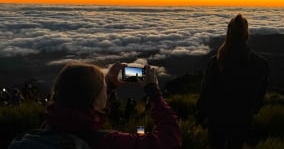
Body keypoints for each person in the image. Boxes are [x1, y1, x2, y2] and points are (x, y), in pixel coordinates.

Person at [8, 62, 182, 149]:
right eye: (103, 91)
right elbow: (170, 140)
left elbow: (82, 102)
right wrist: (153, 92)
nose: (106, 93)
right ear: (94, 102)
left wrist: (108, 84)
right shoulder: (107, 142)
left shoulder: (48, 129)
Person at [196, 14, 269, 149]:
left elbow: (205, 92)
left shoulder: (215, 62)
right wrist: (252, 110)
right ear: (246, 35)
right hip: (242, 120)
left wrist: (200, 115)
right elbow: (260, 95)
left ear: (228, 33)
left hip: (216, 120)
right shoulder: (260, 64)